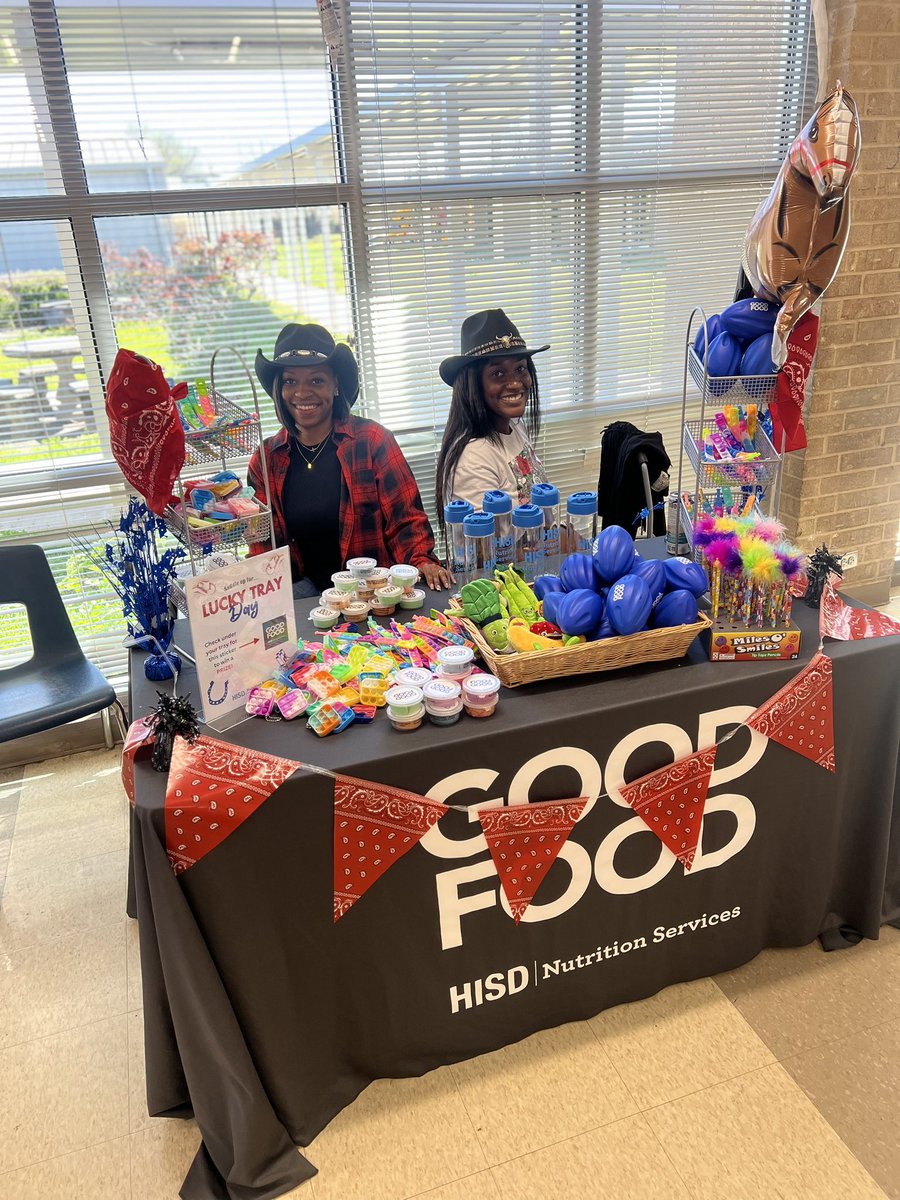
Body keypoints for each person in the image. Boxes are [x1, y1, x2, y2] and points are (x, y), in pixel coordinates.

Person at [248, 323, 452, 594]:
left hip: (374, 588)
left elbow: (406, 520)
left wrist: (421, 562)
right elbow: (264, 546)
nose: (302, 392)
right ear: (279, 389)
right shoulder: (265, 461)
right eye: (290, 381)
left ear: (335, 385)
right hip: (305, 594)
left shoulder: (373, 440)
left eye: (316, 380)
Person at [435, 310, 549, 525]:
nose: (516, 383)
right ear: (473, 383)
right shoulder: (473, 458)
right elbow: (485, 550)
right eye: (498, 373)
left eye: (520, 369)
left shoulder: (515, 425)